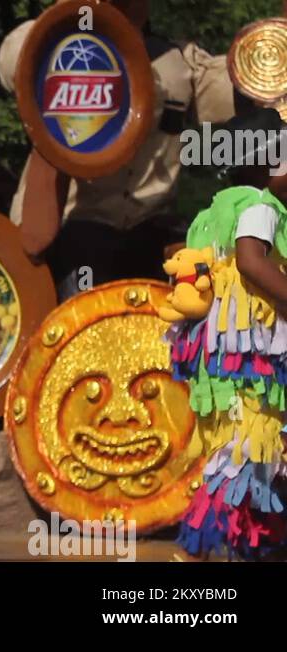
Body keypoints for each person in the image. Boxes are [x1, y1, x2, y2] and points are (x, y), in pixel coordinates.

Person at [0, 0, 236, 299]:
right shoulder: (47, 41)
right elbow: (15, 64)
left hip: (151, 236)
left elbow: (248, 83)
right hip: (70, 232)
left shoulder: (180, 65)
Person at [169, 107, 287, 560]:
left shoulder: (210, 212)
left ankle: (253, 545)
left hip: (219, 362)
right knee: (248, 449)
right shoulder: (260, 206)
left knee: (246, 449)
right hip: (251, 355)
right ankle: (195, 551)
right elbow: (251, 262)